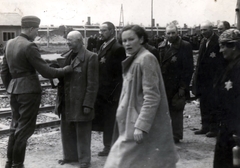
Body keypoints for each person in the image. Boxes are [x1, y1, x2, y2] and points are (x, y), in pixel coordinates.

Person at [0, 15, 73, 168]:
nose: (37, 34)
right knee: (24, 129)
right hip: (29, 91)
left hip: (14, 90)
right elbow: (46, 72)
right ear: (32, 28)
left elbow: (4, 72)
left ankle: (9, 163)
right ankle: (18, 165)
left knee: (15, 127)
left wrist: (10, 88)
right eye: (37, 30)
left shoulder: (9, 44)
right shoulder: (29, 46)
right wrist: (65, 70)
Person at [104, 25, 178, 168]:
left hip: (138, 125)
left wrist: (141, 126)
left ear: (142, 39)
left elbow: (152, 95)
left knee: (118, 162)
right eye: (124, 40)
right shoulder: (135, 58)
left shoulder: (146, 59)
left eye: (131, 39)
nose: (127, 44)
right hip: (130, 122)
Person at [55, 31, 98, 168]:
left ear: (80, 41)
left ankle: (84, 160)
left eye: (71, 40)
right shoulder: (66, 56)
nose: (68, 43)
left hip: (80, 101)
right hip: (66, 100)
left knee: (83, 131)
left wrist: (88, 104)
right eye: (67, 40)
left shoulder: (91, 57)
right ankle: (69, 156)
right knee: (66, 129)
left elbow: (93, 84)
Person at [93, 21, 126, 156]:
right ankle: (108, 146)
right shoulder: (103, 46)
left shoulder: (117, 48)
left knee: (110, 121)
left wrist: (115, 94)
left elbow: (119, 75)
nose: (101, 33)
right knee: (106, 120)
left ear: (112, 31)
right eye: (100, 30)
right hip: (103, 91)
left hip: (111, 93)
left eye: (104, 30)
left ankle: (111, 147)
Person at [159, 23, 194, 143]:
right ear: (165, 34)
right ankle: (166, 133)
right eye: (168, 33)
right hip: (164, 84)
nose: (171, 35)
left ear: (177, 33)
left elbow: (188, 69)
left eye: (173, 33)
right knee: (164, 110)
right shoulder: (162, 46)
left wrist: (183, 87)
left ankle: (176, 135)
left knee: (177, 109)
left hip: (177, 84)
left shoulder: (185, 46)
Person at [192, 21, 225, 138]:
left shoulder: (218, 41)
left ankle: (214, 128)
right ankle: (205, 127)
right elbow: (200, 61)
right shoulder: (203, 41)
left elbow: (221, 63)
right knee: (204, 104)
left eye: (205, 30)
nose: (202, 32)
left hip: (213, 80)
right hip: (203, 80)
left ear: (212, 29)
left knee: (213, 105)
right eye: (201, 30)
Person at [213, 28, 240, 168]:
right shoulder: (230, 64)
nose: (220, 50)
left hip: (234, 130)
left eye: (223, 46)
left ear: (234, 46)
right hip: (227, 127)